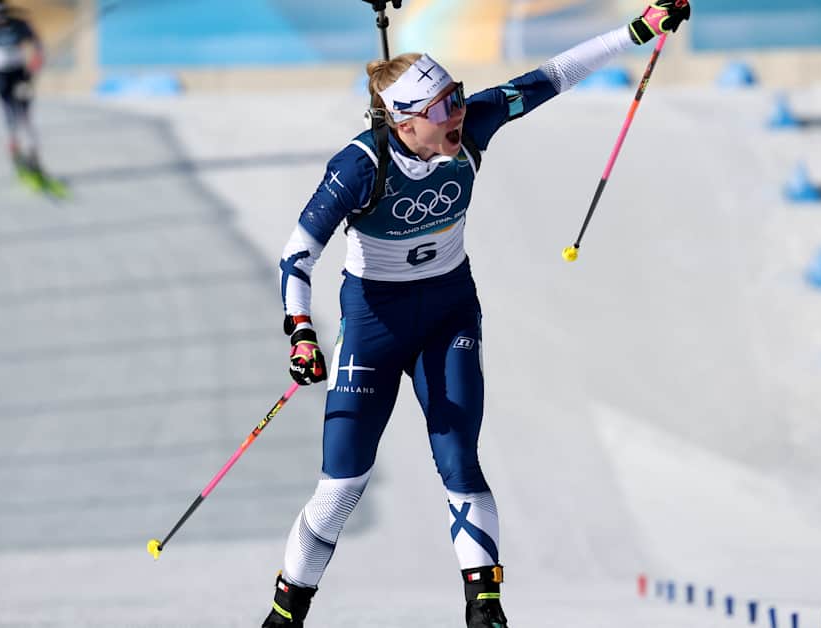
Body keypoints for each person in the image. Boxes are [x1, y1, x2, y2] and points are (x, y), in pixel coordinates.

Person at [264, 2, 690, 626]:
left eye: (457, 96)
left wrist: (637, 30)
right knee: (342, 486)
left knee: (460, 463)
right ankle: (285, 615)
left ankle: (485, 611)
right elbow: (297, 256)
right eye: (441, 108)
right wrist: (301, 333)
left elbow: (552, 76)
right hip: (375, 324)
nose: (458, 113)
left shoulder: (471, 127)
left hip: (448, 315)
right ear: (404, 122)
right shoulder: (359, 166)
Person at [0, 0, 45, 184]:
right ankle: (16, 156)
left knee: (25, 116)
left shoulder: (18, 24)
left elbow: (38, 45)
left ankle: (34, 159)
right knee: (8, 116)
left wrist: (36, 62)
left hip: (19, 74)